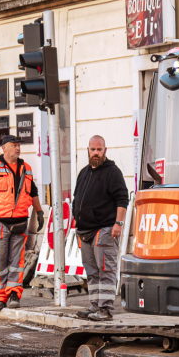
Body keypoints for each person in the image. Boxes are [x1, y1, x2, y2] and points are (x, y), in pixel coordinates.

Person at [0, 135, 43, 311]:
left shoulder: (25, 168)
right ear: (4, 148)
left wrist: (39, 211)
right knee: (0, 262)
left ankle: (14, 293)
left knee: (17, 261)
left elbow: (33, 192)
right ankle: (0, 297)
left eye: (19, 145)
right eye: (14, 145)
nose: (18, 148)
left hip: (20, 221)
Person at [72, 136, 129, 321]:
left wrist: (118, 224)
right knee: (92, 272)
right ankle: (94, 306)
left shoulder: (112, 172)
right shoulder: (84, 172)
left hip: (104, 230)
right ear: (87, 150)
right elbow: (76, 198)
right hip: (85, 232)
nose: (96, 153)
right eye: (92, 149)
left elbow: (122, 199)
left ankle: (105, 310)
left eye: (99, 149)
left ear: (105, 150)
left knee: (106, 270)